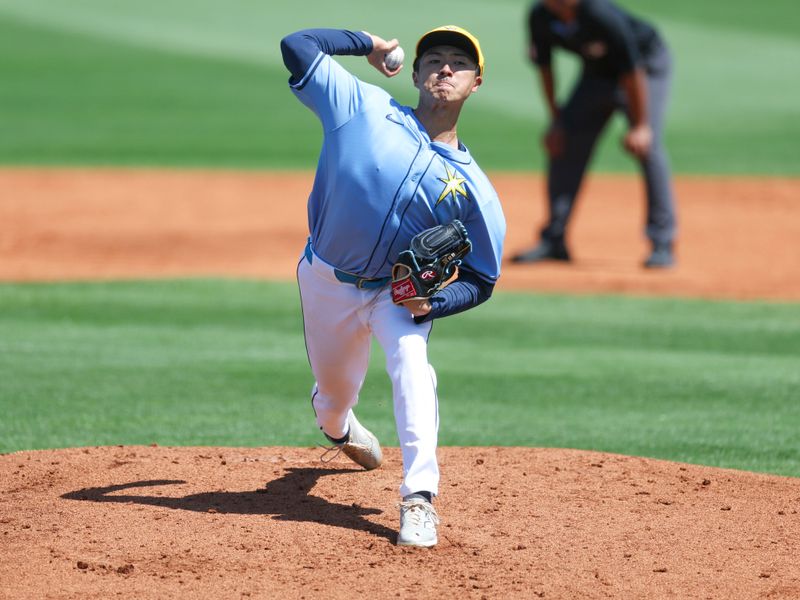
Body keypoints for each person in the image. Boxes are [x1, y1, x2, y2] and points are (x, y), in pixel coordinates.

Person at [280, 26, 506, 547]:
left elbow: (482, 278)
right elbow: (298, 46)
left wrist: (435, 302)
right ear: (415, 71)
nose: (445, 68)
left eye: (459, 63)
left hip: (394, 295)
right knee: (334, 398)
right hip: (325, 280)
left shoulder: (475, 190)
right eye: (434, 59)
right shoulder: (361, 106)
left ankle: (419, 500)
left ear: (475, 84)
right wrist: (368, 44)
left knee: (412, 363)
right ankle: (339, 426)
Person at [511, 0, 677, 268]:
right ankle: (554, 239)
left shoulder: (599, 13)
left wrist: (641, 125)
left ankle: (662, 242)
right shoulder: (540, 16)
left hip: (646, 66)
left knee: (648, 147)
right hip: (597, 73)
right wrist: (556, 121)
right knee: (564, 140)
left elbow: (632, 68)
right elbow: (545, 67)